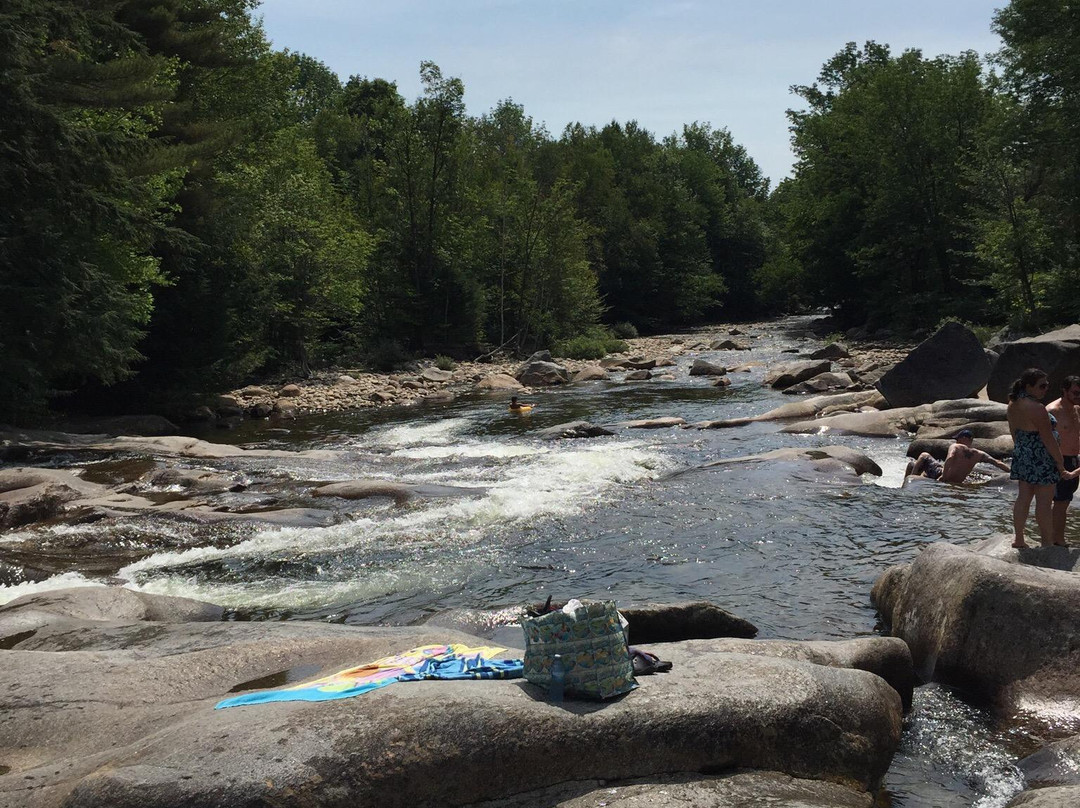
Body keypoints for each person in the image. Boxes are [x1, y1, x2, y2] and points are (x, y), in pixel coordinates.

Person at [1007, 368, 1080, 548]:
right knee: (1044, 503)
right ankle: (1047, 542)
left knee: (1023, 497)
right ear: (1028, 386)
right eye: (1042, 386)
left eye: (1047, 385)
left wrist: (1022, 451)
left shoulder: (1013, 403)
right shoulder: (1037, 408)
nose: (1046, 389)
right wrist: (1060, 463)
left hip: (1023, 454)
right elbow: (1048, 439)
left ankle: (1019, 538)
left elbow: (1014, 432)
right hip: (1042, 458)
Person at [906, 429, 1010, 483]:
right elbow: (997, 463)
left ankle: (912, 478)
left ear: (964, 438)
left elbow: (950, 458)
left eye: (958, 438)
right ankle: (920, 476)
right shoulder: (979, 454)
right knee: (921, 467)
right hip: (957, 481)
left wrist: (944, 476)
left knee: (924, 455)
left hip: (941, 476)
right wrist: (1012, 472)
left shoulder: (955, 446)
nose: (956, 441)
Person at [1047, 375, 1080, 546]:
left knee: (1064, 502)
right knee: (1058, 502)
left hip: (1074, 460)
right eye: (1075, 392)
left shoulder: (1076, 409)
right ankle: (1056, 539)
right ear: (1065, 391)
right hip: (1058, 460)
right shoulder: (1053, 411)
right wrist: (1057, 464)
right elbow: (1045, 439)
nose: (1078, 396)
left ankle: (1056, 537)